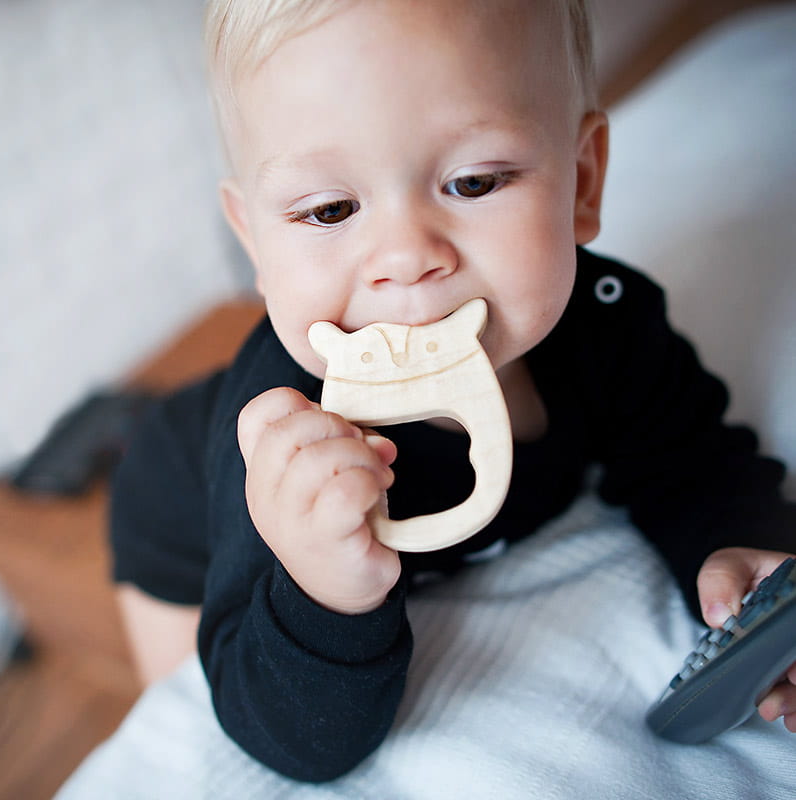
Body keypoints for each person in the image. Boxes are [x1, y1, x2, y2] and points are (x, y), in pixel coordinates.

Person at [110, 0, 796, 782]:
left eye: (472, 182)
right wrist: (321, 594)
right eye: (330, 209)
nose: (405, 257)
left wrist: (734, 547)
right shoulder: (278, 431)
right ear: (257, 244)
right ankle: (125, 429)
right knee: (185, 726)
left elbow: (690, 462)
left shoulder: (611, 330)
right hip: (174, 512)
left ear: (582, 180)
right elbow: (290, 742)